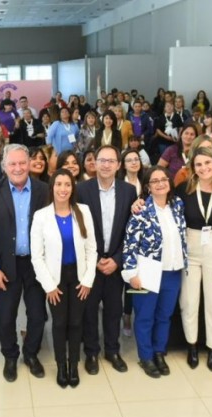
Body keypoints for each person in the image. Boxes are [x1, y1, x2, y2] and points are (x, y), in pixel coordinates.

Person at [0, 144, 50, 382]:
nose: (18, 168)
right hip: (5, 266)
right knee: (6, 317)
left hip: (36, 265)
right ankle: (10, 356)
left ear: (29, 164)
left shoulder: (44, 190)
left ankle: (31, 354)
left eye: (22, 162)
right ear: (4, 166)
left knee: (38, 315)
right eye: (12, 164)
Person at [31, 168, 96, 388]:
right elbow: (37, 256)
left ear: (73, 187)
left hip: (79, 276)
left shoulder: (83, 211)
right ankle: (61, 366)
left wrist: (87, 280)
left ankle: (73, 364)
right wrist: (49, 285)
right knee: (59, 323)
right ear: (52, 187)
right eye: (58, 184)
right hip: (54, 278)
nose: (63, 189)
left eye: (67, 184)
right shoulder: (41, 216)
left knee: (76, 322)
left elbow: (92, 249)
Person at [77, 146, 137, 375]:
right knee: (89, 310)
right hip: (90, 263)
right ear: (94, 163)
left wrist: (117, 259)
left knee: (114, 310)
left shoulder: (128, 191)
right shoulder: (82, 189)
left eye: (111, 161)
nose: (106, 165)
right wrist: (93, 259)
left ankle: (112, 350)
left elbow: (131, 231)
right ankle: (91, 352)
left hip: (115, 263)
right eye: (101, 160)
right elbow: (77, 228)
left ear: (118, 165)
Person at [121, 165, 187, 377]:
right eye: (154, 181)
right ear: (148, 187)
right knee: (144, 317)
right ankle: (146, 357)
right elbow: (130, 244)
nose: (160, 184)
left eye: (163, 179)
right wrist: (131, 274)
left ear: (169, 182)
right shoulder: (140, 210)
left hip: (172, 271)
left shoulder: (178, 205)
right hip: (146, 273)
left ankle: (159, 352)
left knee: (164, 316)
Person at [176, 147, 212, 371]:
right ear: (193, 167)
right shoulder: (184, 190)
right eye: (199, 164)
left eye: (208, 163)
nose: (204, 168)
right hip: (190, 246)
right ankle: (192, 345)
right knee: (189, 301)